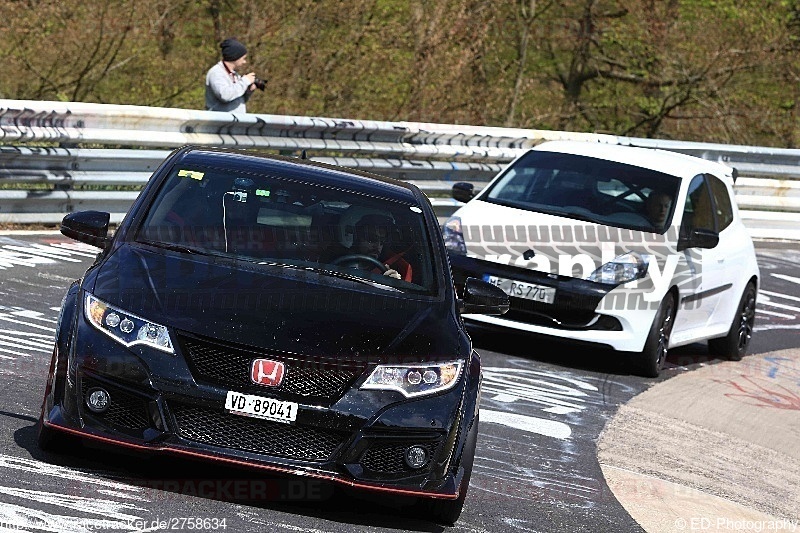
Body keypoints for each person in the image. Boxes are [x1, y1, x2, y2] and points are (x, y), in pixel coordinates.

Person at [347, 214, 413, 281]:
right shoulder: (339, 257)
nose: (377, 246)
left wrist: (394, 283)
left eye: (382, 242)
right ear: (357, 239)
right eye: (371, 240)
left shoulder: (388, 268)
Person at [205, 38, 257, 113]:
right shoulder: (216, 73)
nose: (244, 62)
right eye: (243, 58)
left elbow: (237, 100)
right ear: (235, 57)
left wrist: (248, 91)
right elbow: (225, 95)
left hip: (235, 122)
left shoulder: (234, 74)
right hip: (220, 122)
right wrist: (245, 81)